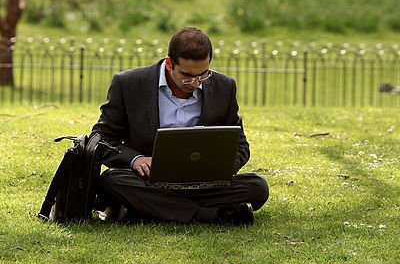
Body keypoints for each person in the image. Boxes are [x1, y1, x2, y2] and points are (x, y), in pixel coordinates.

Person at [92, 27, 269, 225]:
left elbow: (241, 145)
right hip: (147, 181)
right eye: (187, 76)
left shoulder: (224, 86)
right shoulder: (128, 83)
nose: (195, 83)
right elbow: (102, 138)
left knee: (257, 186)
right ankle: (207, 215)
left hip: (204, 183)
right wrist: (136, 159)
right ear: (169, 63)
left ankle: (145, 209)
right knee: (111, 181)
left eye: (203, 75)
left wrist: (222, 168)